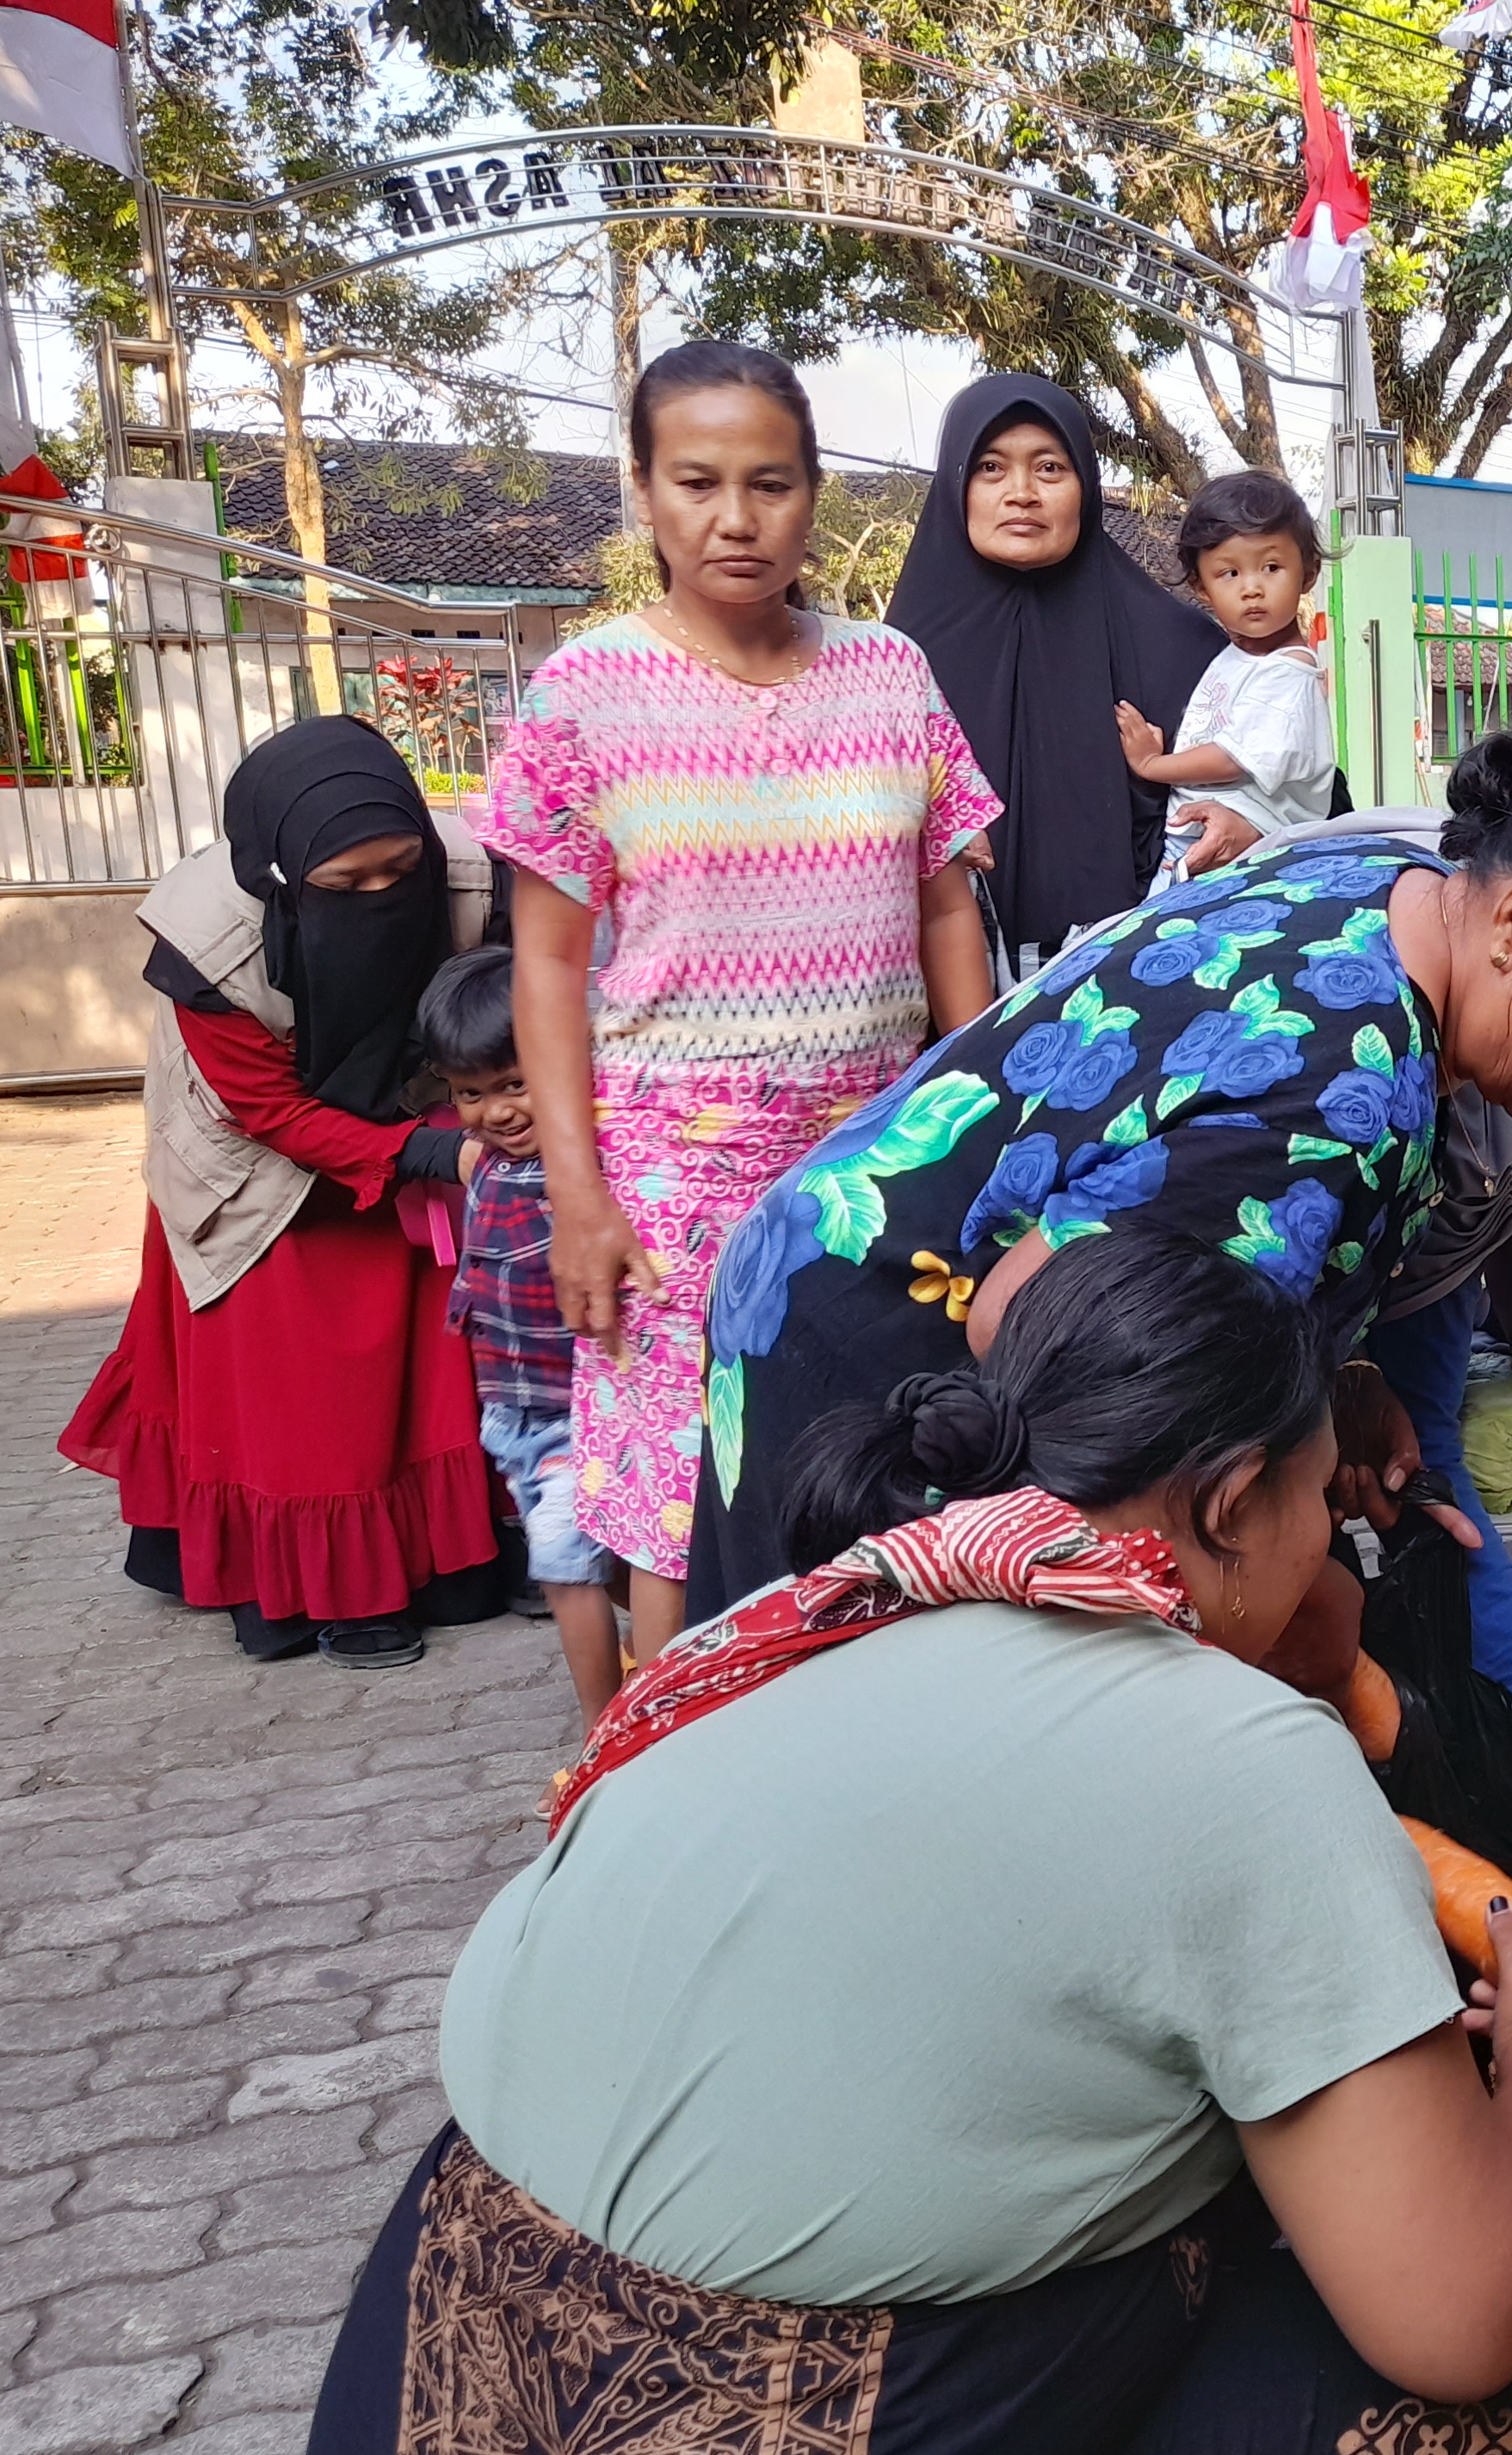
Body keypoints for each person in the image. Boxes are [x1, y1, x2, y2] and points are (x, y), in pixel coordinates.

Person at [300, 1230, 1512, 2455]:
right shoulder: (1234, 1752)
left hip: (415, 2448)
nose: (1324, 1547)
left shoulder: (803, 1618)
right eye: (1317, 1510)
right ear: (1233, 1502)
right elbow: (1467, 2320)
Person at [684, 731, 1512, 1861]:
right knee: (878, 1821)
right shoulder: (1331, 1096)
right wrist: (1308, 1611)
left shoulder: (1396, 894)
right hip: (872, 1349)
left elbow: (1199, 1242)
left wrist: (1333, 1383)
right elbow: (1033, 1320)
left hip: (827, 1258)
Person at [490, 339, 1004, 1660]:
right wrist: (577, 1196)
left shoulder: (890, 675)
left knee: (873, 1457)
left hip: (875, 1149)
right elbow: (545, 962)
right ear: (647, 494)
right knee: (678, 1498)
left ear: (813, 492)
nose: (735, 518)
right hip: (667, 1172)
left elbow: (947, 904)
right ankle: (667, 1777)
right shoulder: (582, 695)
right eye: (698, 481)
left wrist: (980, 1134)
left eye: (770, 483)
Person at [59, 717, 505, 1670]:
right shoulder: (206, 944)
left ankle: (451, 1567)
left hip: (418, 1126)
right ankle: (328, 1592)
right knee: (305, 1410)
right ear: (280, 877)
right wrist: (430, 1158)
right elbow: (269, 1111)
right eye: (347, 888)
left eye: (401, 872)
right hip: (261, 1179)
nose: (384, 898)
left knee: (433, 1377)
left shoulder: (473, 878)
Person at [885, 372, 1237, 965]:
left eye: (1049, 468)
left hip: (1134, 982)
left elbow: (1302, 791)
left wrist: (1247, 822)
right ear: (954, 485)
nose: (1021, 492)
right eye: (991, 468)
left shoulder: (1185, 648)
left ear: (1087, 485)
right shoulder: (891, 662)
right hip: (927, 994)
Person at [414, 946, 625, 1721]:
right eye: (470, 1093)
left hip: (584, 1412)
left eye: (515, 1085)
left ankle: (604, 1740)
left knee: (567, 1571)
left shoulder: (592, 1170)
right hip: (514, 1416)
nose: (497, 1112)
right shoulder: (489, 1165)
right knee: (606, 1565)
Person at [1119, 468, 1335, 894]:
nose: (1252, 588)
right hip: (1199, 835)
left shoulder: (1287, 673)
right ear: (1202, 586)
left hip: (1242, 850)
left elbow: (1233, 758)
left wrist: (1151, 765)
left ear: (1308, 573)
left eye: (1271, 567)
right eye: (1229, 573)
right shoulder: (1235, 653)